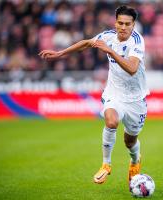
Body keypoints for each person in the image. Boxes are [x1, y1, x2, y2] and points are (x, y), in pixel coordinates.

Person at [39, 5, 148, 184]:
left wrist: (110, 51)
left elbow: (132, 69)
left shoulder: (137, 41)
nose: (123, 27)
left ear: (133, 25)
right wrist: (61, 53)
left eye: (127, 24)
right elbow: (87, 43)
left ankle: (135, 160)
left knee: (130, 141)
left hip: (136, 98)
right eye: (120, 23)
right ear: (115, 22)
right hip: (114, 92)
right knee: (111, 121)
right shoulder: (107, 36)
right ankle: (106, 164)